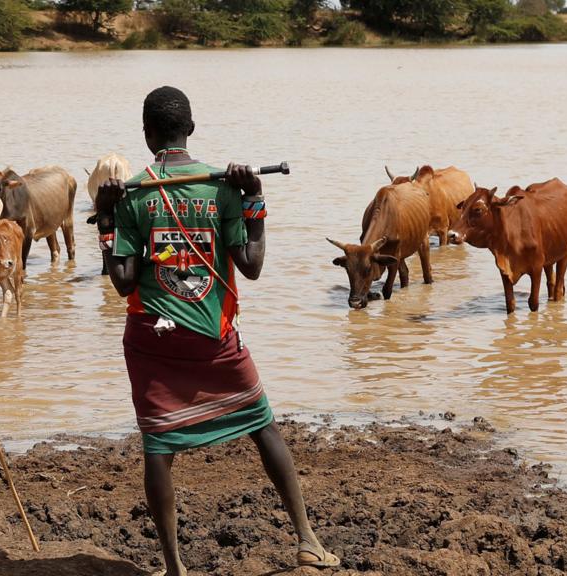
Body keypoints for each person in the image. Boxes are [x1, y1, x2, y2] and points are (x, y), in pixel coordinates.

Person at [95, 86, 339, 575]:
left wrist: (105, 216)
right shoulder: (223, 188)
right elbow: (250, 265)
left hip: (153, 336)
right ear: (191, 127)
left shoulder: (132, 195)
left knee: (159, 445)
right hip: (214, 335)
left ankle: (175, 567)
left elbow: (123, 283)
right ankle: (308, 541)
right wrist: (255, 200)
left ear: (147, 135)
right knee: (262, 424)